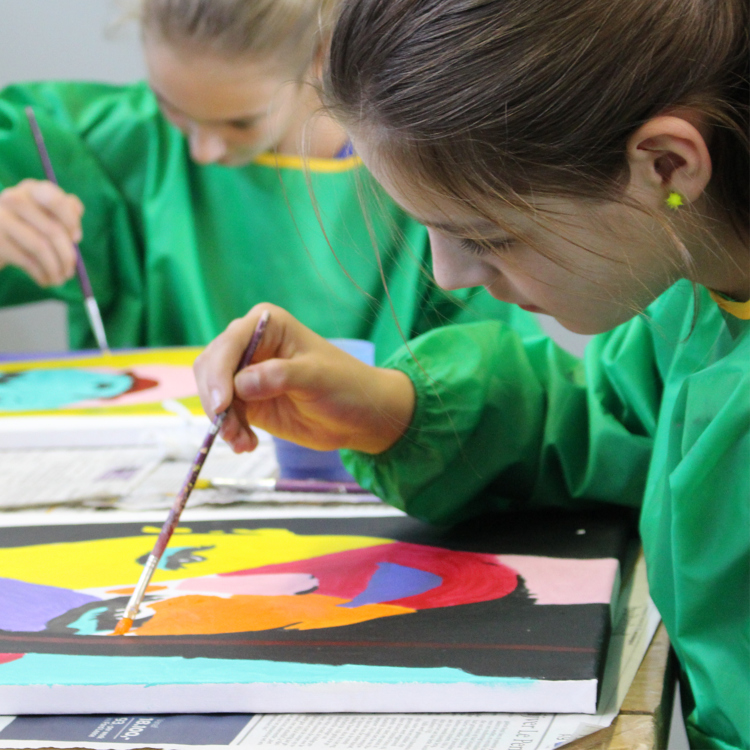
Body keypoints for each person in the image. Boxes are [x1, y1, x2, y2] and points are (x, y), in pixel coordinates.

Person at [193, 0, 749, 747]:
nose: (447, 276)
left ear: (668, 165)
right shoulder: (698, 294)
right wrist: (392, 409)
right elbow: (622, 424)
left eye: (483, 234)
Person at [0, 0, 537, 355]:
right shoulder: (101, 144)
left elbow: (490, 377)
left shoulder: (426, 171)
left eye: (240, 121)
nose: (204, 151)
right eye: (172, 107)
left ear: (323, 56)